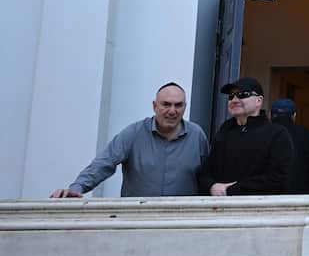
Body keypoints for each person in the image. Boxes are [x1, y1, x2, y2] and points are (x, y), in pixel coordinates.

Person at [50, 82, 209, 198]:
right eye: (166, 104)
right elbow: (104, 163)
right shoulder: (133, 133)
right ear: (154, 106)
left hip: (181, 222)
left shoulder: (197, 136)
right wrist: (77, 188)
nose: (172, 111)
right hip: (137, 220)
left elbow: (207, 176)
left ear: (185, 107)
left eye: (178, 105)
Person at [197, 76, 293, 196]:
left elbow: (278, 178)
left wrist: (233, 189)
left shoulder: (277, 134)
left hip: (258, 210)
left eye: (243, 94)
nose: (234, 100)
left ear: (259, 100)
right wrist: (212, 186)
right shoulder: (224, 131)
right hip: (220, 209)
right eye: (231, 96)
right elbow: (206, 171)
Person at [270, 98, 309, 194]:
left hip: (267, 199)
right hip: (300, 198)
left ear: (270, 115)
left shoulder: (262, 134)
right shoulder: (307, 135)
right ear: (294, 116)